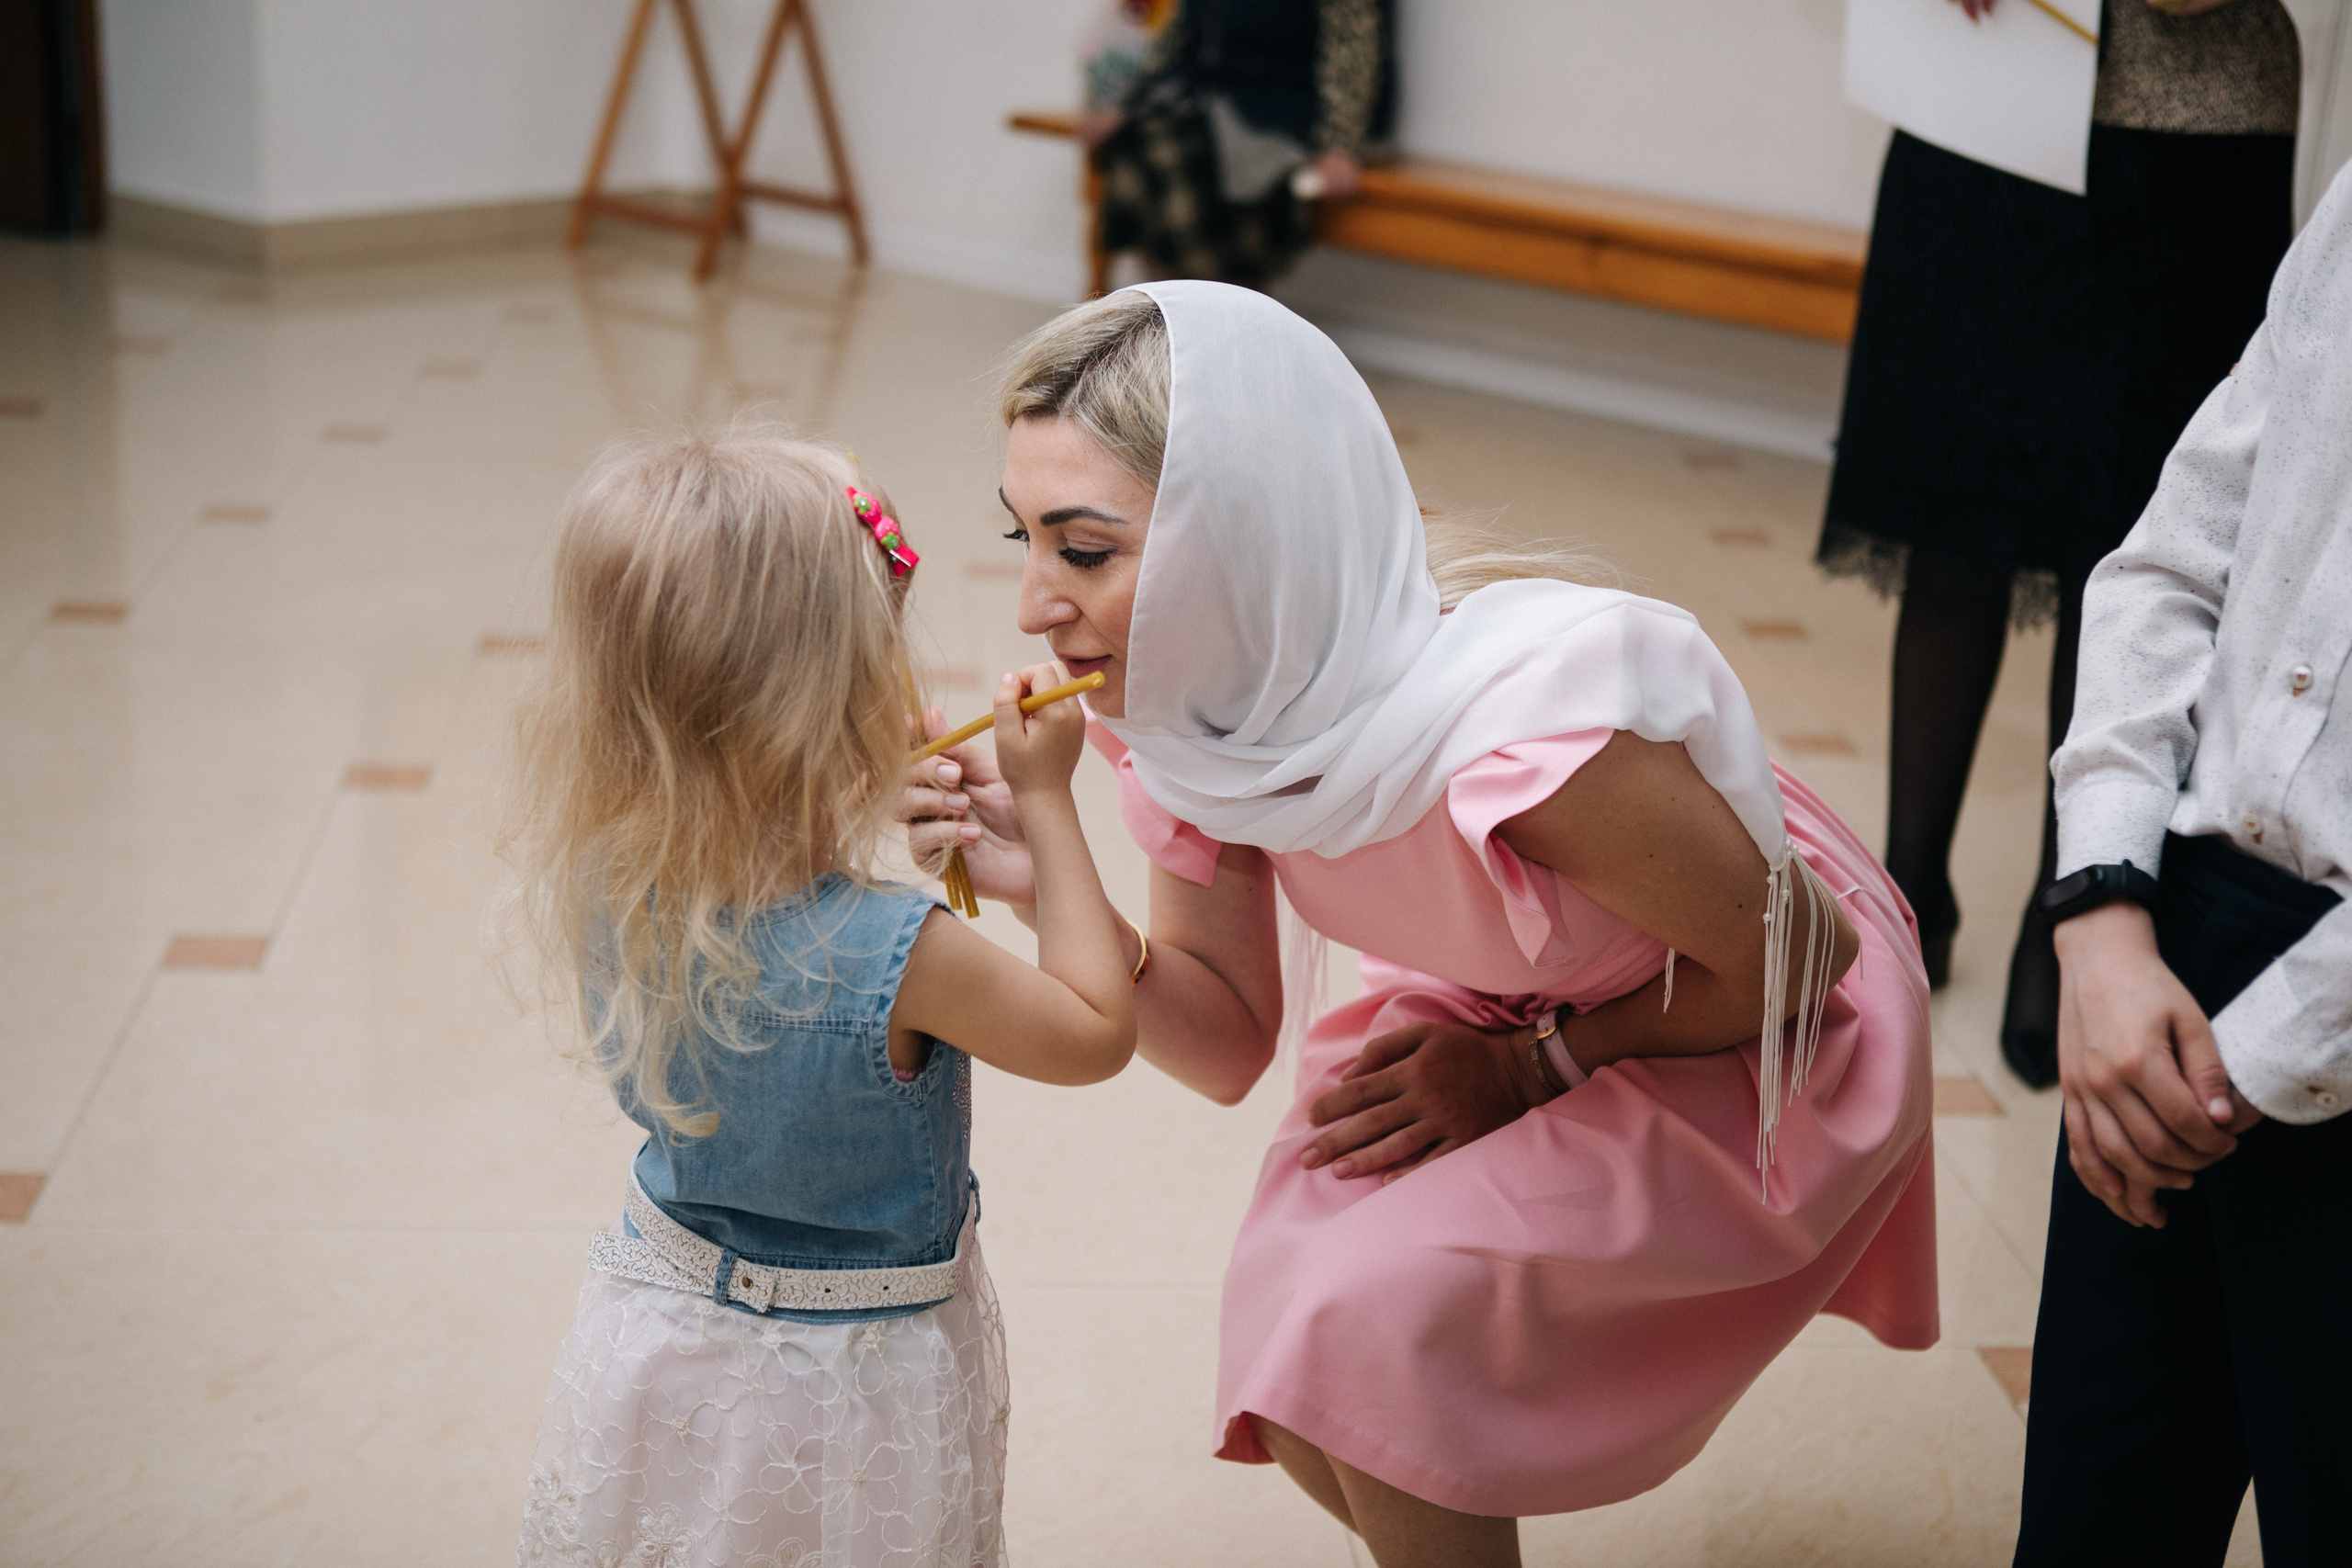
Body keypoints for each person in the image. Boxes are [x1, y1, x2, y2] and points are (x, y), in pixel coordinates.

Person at [904, 284, 1938, 1566]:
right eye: (1027, 539)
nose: (1031, 605)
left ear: (1241, 545)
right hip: (1519, 977)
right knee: (1294, 1351)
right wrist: (1039, 874)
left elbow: (1803, 957)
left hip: (1746, 1006)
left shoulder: (1536, 740)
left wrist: (1525, 1066)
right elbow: (1224, 1039)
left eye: (1085, 550)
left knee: (1367, 1313)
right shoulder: (1196, 710)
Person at [503, 430, 1137, 1568]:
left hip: (660, 1344)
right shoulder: (906, 953)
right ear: (826, 704)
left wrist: (820, 793)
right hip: (849, 1397)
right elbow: (1095, 1030)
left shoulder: (607, 873)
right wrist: (1047, 802)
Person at [1818, 0, 2300, 1086]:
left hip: (2189, 126)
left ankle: (2069, 906)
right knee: (1955, 512)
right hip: (1984, 93)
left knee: (2127, 534)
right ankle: (1908, 891)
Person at [2011, 158, 2352, 1568]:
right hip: (2171, 949)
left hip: (2321, 1011)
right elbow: (2173, 559)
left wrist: (2245, 1066)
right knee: (2098, 1510)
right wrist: (2102, 908)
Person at [1080, 0, 1393, 288]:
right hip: (1200, 103)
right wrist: (1125, 106)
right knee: (1139, 147)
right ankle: (1181, 310)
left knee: (1189, 175)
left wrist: (1340, 144)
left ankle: (1213, 304)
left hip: (1280, 116)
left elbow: (1354, 47)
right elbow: (1178, 34)